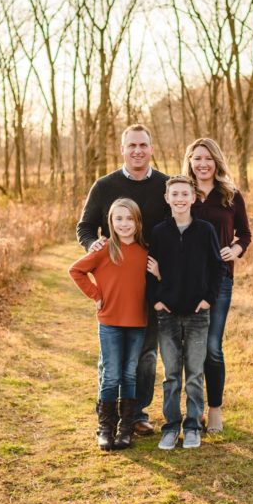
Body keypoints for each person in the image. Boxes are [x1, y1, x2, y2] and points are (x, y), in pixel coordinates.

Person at [76, 124, 169, 436]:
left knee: (145, 355)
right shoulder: (104, 186)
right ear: (123, 149)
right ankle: (109, 414)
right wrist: (95, 246)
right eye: (132, 146)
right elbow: (85, 226)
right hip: (115, 287)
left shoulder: (166, 186)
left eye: (143, 145)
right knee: (111, 358)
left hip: (151, 284)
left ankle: (137, 413)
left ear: (151, 148)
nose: (138, 151)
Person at [146, 175, 222, 450]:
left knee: (194, 374)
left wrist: (208, 300)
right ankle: (170, 427)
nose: (179, 199)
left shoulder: (205, 231)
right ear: (167, 199)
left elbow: (217, 269)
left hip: (197, 315)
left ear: (193, 198)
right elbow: (149, 270)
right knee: (171, 375)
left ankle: (192, 426)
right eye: (174, 194)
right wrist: (156, 300)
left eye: (184, 194)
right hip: (166, 313)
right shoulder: (159, 232)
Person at [184, 138, 252, 434]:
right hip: (186, 280)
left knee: (212, 346)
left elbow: (245, 234)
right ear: (190, 161)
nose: (203, 163)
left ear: (217, 161)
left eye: (208, 158)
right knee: (190, 347)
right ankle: (193, 409)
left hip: (220, 279)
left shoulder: (231, 195)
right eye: (197, 158)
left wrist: (235, 250)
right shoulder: (182, 193)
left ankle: (214, 409)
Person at [69, 199, 149, 451]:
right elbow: (76, 271)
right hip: (110, 321)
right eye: (119, 219)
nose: (124, 224)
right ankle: (106, 428)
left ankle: (126, 429)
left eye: (129, 219)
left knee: (129, 373)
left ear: (137, 222)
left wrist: (158, 273)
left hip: (137, 321)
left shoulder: (145, 251)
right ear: (110, 223)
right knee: (111, 374)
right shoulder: (104, 250)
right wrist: (96, 294)